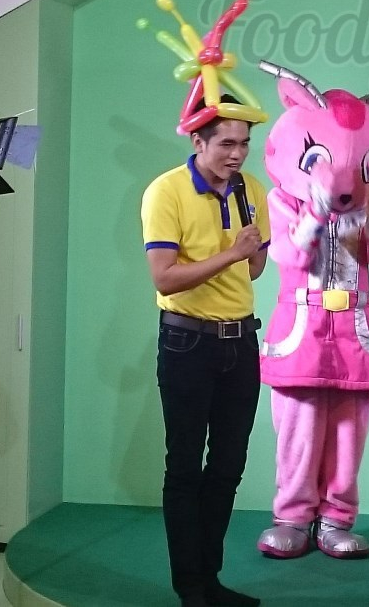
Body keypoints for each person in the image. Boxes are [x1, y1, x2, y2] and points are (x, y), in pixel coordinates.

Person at [142, 98, 272, 607]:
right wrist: (232, 252)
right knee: (184, 468)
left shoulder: (251, 190)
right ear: (198, 141)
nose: (237, 154)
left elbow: (254, 269)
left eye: (245, 144)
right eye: (227, 143)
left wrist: (249, 252)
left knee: (228, 466)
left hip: (240, 342)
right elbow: (164, 277)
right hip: (186, 342)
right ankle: (190, 587)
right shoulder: (166, 190)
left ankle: (209, 580)